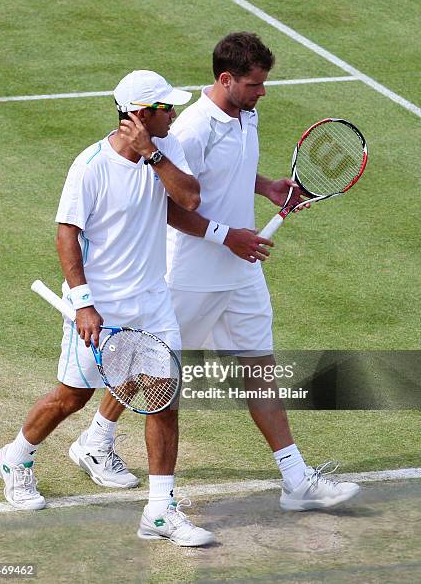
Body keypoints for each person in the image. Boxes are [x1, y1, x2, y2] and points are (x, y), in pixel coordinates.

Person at [0, 70, 215, 547]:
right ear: (140, 114)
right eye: (164, 108)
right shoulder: (90, 165)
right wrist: (84, 302)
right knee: (72, 397)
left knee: (163, 402)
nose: (173, 114)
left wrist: (154, 156)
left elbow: (188, 199)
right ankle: (17, 455)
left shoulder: (162, 154)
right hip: (100, 306)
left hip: (153, 304)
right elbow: (66, 234)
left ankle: (159, 511)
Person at [164, 32, 360, 511]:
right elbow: (167, 205)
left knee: (259, 366)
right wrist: (226, 236)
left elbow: (226, 172)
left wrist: (266, 186)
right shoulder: (191, 129)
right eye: (254, 84)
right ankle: (96, 439)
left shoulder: (245, 113)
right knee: (157, 371)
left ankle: (296, 480)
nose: (263, 93)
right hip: (191, 272)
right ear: (226, 79)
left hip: (241, 271)